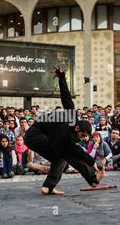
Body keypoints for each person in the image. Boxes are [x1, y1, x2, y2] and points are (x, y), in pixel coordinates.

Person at [24, 66, 104, 195]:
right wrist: (91, 161)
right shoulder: (66, 132)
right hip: (34, 136)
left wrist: (62, 77)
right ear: (77, 128)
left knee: (60, 157)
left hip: (45, 138)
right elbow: (75, 151)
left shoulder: (72, 116)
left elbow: (65, 96)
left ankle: (48, 187)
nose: (81, 138)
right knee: (65, 153)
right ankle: (92, 179)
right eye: (82, 135)